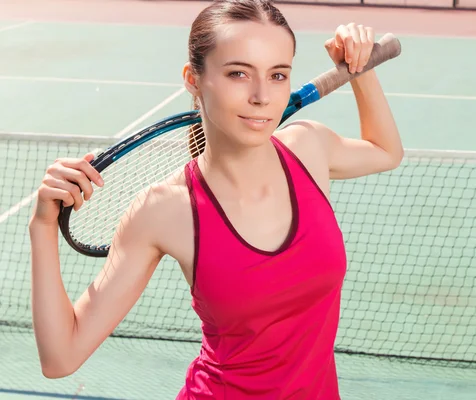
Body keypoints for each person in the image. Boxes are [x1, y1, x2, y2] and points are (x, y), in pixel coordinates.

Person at [29, 0, 403, 398]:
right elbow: (61, 357)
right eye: (238, 73)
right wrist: (42, 226)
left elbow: (385, 151)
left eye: (278, 75)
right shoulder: (165, 209)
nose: (262, 96)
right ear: (193, 78)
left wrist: (362, 67)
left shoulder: (308, 148)